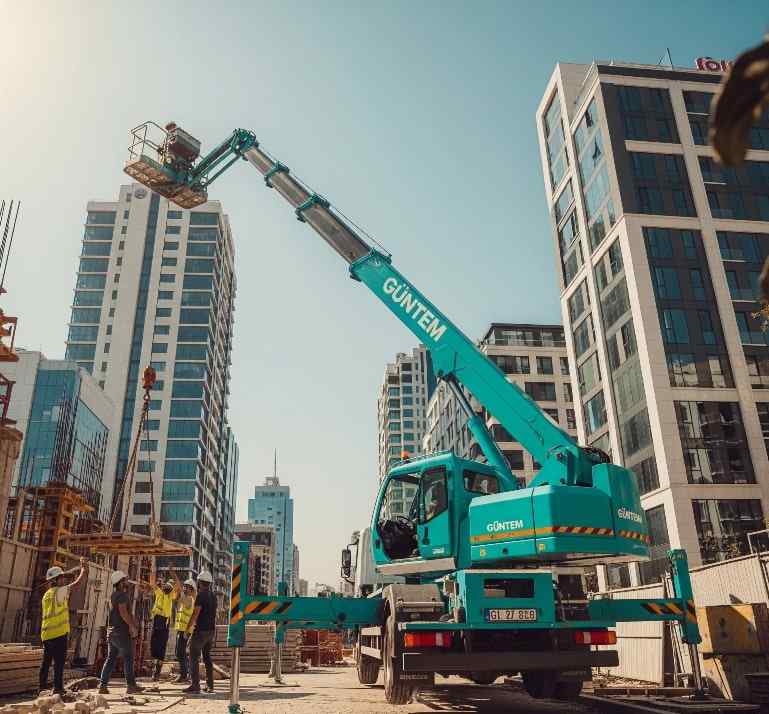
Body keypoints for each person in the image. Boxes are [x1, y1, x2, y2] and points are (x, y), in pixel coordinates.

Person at [39, 558, 88, 695]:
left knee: (46, 662)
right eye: (60, 578)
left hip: (46, 634)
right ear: (54, 580)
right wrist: (83, 569)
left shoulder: (47, 595)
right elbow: (77, 584)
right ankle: (58, 688)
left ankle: (41, 687)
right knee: (59, 663)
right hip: (58, 633)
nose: (63, 580)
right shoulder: (59, 592)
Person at [99, 571, 144, 695]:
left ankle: (102, 685)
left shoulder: (114, 595)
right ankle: (131, 686)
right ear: (120, 582)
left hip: (112, 631)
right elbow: (123, 613)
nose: (127, 582)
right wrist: (132, 627)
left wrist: (133, 621)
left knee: (110, 658)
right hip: (121, 632)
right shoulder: (123, 595)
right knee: (128, 657)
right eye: (125, 580)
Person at [183, 570, 217, 694]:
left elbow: (195, 614)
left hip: (201, 631)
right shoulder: (213, 596)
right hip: (211, 631)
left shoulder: (201, 596)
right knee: (207, 657)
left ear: (200, 582)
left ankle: (195, 685)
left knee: (193, 656)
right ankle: (210, 686)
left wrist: (187, 629)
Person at [143, 575, 179, 680]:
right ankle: (155, 670)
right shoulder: (159, 593)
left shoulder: (171, 596)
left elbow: (178, 586)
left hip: (164, 622)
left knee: (161, 647)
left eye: (169, 587)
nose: (167, 588)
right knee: (154, 646)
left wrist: (172, 573)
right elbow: (153, 583)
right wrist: (156, 579)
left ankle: (157, 672)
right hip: (157, 620)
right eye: (166, 586)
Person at [172, 576, 196, 684]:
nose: (185, 589)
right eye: (184, 587)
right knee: (179, 653)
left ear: (192, 590)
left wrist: (176, 580)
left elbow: (181, 596)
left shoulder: (190, 600)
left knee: (180, 653)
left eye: (187, 587)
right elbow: (177, 598)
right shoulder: (184, 600)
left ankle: (184, 675)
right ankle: (185, 674)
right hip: (181, 630)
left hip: (186, 631)